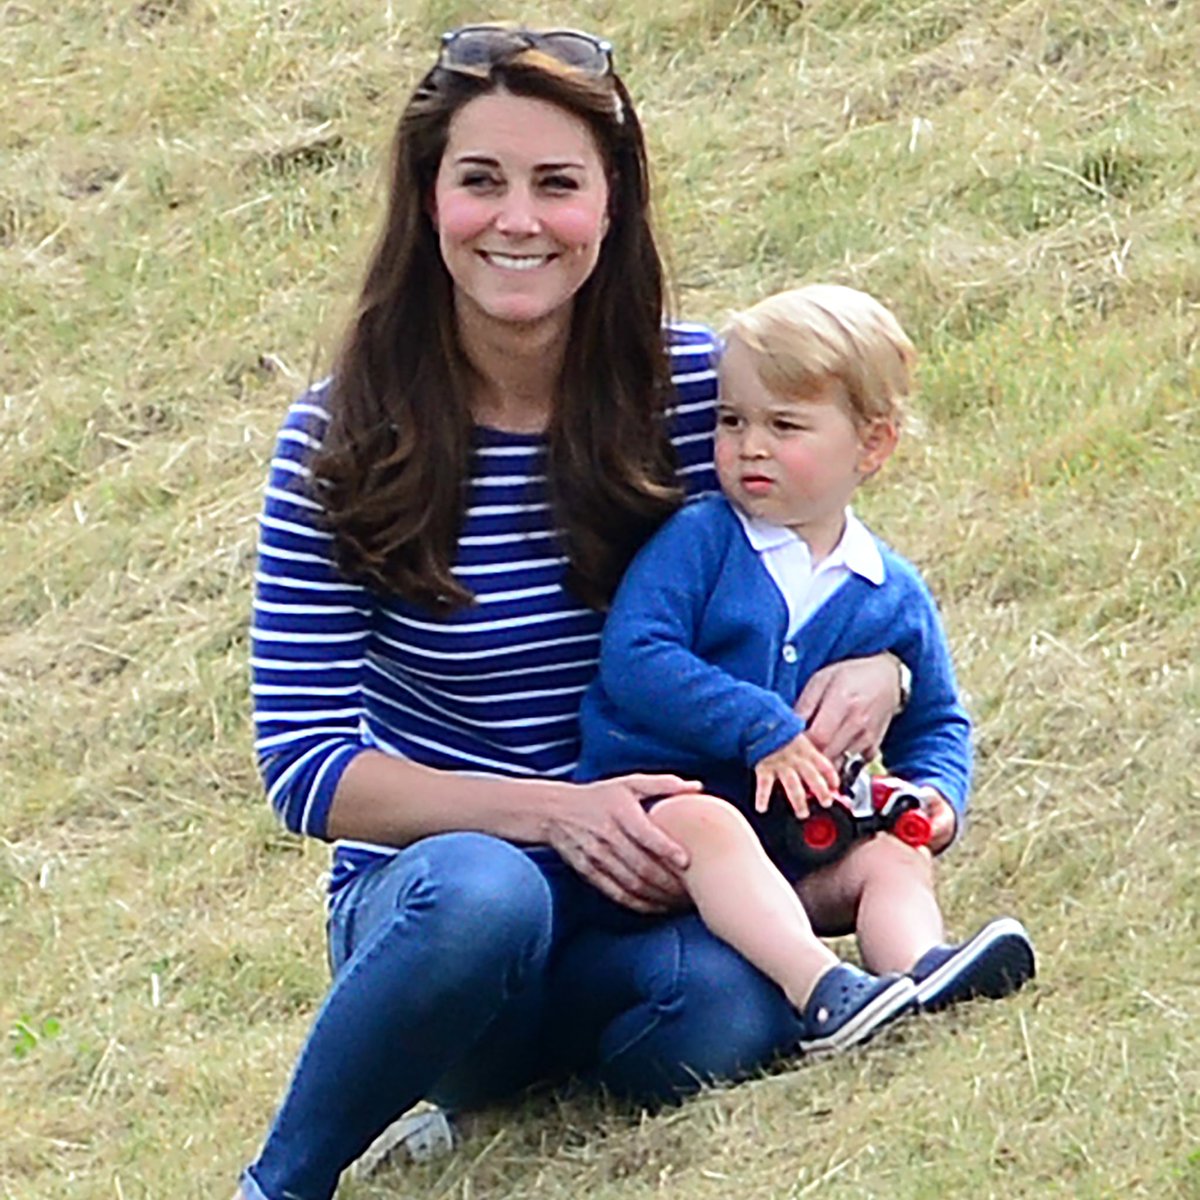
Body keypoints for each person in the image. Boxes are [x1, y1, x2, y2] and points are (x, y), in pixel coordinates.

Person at [238, 27, 906, 1200]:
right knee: (484, 899)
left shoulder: (705, 391)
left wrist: (886, 676)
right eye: (480, 179)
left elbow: (826, 565)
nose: (518, 221)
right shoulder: (337, 439)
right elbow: (304, 768)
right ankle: (284, 1177)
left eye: (558, 184)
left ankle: (477, 1092)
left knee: (725, 1017)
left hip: (651, 890)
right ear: (428, 197)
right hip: (442, 897)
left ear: (611, 205)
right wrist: (557, 814)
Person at [575, 283, 1036, 1058]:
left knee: (893, 855)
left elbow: (939, 721)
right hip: (664, 825)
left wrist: (934, 798)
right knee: (712, 822)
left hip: (796, 853)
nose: (751, 445)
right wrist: (764, 728)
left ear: (872, 446)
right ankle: (821, 991)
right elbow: (635, 658)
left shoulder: (889, 589)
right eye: (732, 421)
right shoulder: (701, 541)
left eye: (784, 425)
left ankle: (918, 968)